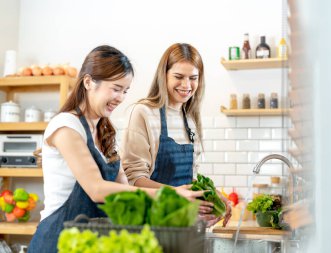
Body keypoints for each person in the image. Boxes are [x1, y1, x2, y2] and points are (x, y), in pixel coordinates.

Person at [28, 45, 203, 253]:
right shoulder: (66, 126)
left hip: (93, 242)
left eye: (125, 91)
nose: (121, 97)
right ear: (88, 82)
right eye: (116, 88)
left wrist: (178, 198)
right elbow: (96, 189)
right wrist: (171, 195)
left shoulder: (104, 131)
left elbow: (128, 189)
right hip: (57, 241)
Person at [121, 43, 231, 227]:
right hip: (150, 223)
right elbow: (134, 179)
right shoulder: (143, 112)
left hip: (184, 224)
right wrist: (177, 194)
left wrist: (212, 196)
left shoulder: (190, 119)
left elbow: (189, 180)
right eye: (178, 77)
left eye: (193, 78)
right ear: (163, 75)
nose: (187, 85)